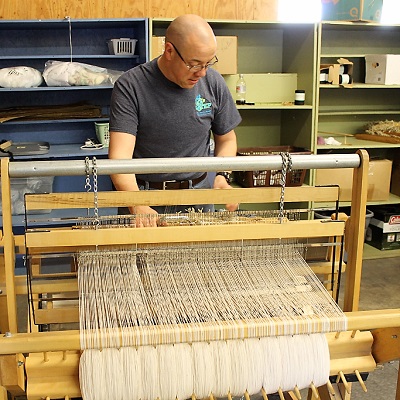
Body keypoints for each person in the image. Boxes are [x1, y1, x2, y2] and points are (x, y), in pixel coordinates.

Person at [108, 14, 241, 227]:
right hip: (145, 197)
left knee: (198, 259)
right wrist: (135, 203)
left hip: (198, 199)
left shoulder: (213, 82)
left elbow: (226, 139)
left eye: (208, 63)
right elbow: (119, 158)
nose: (202, 73)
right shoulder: (131, 86)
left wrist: (221, 176)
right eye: (194, 64)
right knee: (142, 260)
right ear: (169, 51)